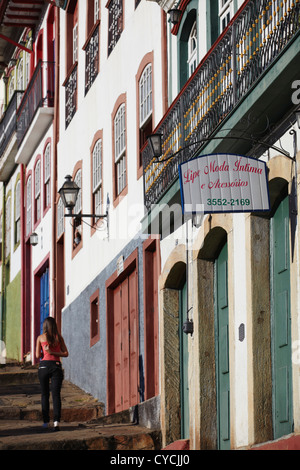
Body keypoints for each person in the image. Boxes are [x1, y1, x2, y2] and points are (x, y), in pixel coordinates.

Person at [35, 317, 69, 431]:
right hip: (56, 366)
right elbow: (65, 353)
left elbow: (36, 356)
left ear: (44, 326)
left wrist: (45, 352)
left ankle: (45, 422)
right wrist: (54, 353)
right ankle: (56, 422)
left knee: (44, 394)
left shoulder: (40, 338)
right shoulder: (59, 337)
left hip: (44, 366)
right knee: (56, 395)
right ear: (54, 325)